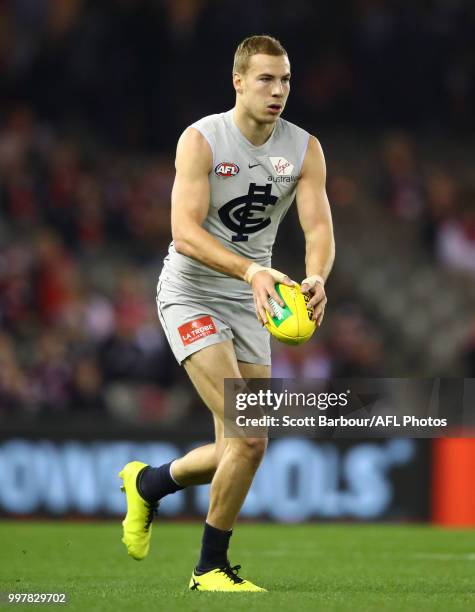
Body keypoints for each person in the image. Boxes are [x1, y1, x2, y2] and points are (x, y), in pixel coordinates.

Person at [119, 34, 335, 592]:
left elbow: (318, 228)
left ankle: (148, 484)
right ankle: (209, 569)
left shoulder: (304, 149)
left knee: (239, 446)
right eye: (265, 78)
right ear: (238, 81)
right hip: (192, 293)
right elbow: (184, 232)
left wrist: (315, 276)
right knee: (250, 435)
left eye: (285, 79)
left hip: (251, 300)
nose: (278, 90)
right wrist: (251, 271)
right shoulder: (202, 140)